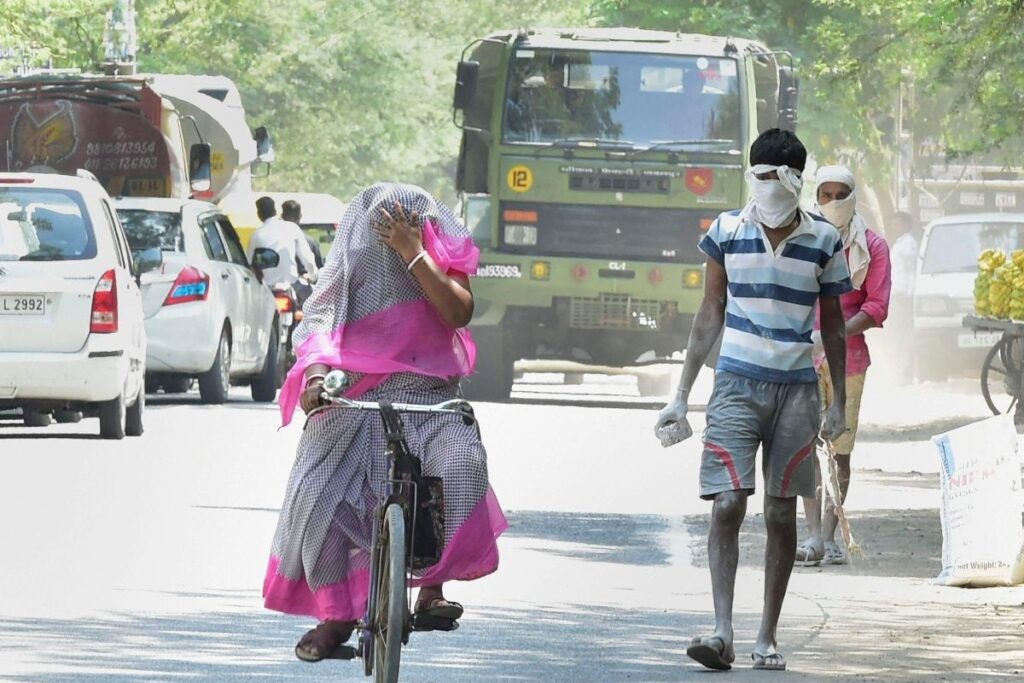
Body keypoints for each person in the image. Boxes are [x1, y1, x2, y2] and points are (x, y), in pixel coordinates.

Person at [263, 183, 507, 662]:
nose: (393, 231)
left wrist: (414, 252)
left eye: (409, 222)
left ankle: (432, 588)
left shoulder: (438, 255)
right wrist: (316, 379)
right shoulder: (349, 265)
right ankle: (337, 616)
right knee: (316, 492)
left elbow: (459, 312)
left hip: (429, 392)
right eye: (384, 226)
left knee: (461, 464)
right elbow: (318, 324)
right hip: (355, 392)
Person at [654, 129, 852, 672]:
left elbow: (834, 326)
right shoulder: (725, 231)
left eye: (774, 177)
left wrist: (837, 403)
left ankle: (766, 636)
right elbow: (709, 313)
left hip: (797, 393)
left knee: (782, 512)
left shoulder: (824, 241)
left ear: (794, 180)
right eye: (757, 175)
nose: (764, 186)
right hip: (735, 386)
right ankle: (722, 631)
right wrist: (681, 395)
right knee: (728, 503)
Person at [794, 166, 892, 568]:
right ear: (816, 198)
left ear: (853, 197)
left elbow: (877, 306)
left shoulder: (873, 247)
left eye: (841, 195)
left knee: (840, 452)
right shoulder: (803, 239)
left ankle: (831, 532)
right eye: (826, 195)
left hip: (848, 362)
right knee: (804, 447)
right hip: (801, 358)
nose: (833, 202)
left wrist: (833, 334)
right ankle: (813, 535)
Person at [246, 196, 318, 288]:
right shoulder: (292, 228)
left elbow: (249, 265)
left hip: (268, 289)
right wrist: (313, 276)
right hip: (291, 286)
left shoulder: (255, 236)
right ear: (275, 212)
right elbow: (306, 256)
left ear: (259, 215)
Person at [887, 211, 918, 384]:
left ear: (906, 225)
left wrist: (909, 294)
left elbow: (911, 270)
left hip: (903, 296)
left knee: (903, 335)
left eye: (897, 223)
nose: (894, 227)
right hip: (897, 295)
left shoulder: (908, 244)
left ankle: (905, 373)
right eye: (893, 224)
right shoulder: (900, 243)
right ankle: (900, 371)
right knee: (897, 334)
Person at [281, 199, 325, 271]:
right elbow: (319, 269)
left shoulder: (275, 241)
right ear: (300, 216)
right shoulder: (311, 242)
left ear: (282, 216)